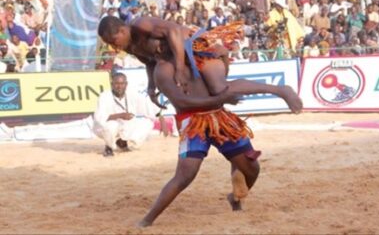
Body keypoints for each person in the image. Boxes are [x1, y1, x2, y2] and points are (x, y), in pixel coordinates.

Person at [136, 38, 303, 227]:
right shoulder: (163, 69)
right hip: (193, 122)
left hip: (220, 117)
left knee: (252, 168)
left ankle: (235, 196)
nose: (160, 48)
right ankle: (147, 220)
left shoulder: (198, 54)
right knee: (185, 175)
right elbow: (182, 102)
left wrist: (224, 58)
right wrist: (221, 98)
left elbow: (221, 83)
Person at [97, 16, 243, 101]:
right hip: (177, 59)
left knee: (218, 89)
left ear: (122, 31)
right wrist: (151, 87)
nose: (114, 47)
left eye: (113, 41)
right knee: (199, 97)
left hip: (194, 44)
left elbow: (174, 31)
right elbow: (149, 63)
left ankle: (223, 56)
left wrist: (179, 68)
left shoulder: (140, 25)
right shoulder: (129, 46)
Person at [93, 72, 155, 157]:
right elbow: (100, 117)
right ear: (112, 84)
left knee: (147, 123)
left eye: (122, 84)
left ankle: (122, 141)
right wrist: (120, 115)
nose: (119, 86)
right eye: (116, 84)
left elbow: (148, 107)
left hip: (123, 125)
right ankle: (109, 147)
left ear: (126, 84)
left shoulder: (133, 94)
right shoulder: (104, 96)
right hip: (103, 127)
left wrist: (161, 118)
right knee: (111, 126)